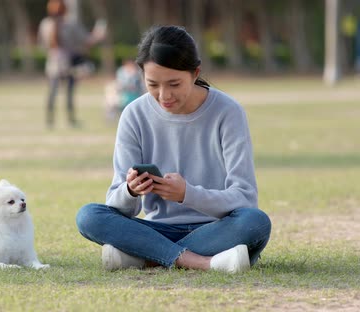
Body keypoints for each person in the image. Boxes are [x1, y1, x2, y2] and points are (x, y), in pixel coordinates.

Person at [76, 25, 271, 273]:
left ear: (195, 72)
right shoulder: (134, 115)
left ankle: (146, 257)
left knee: (255, 222)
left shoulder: (228, 112)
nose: (164, 95)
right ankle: (203, 262)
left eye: (174, 84)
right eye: (153, 84)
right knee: (89, 216)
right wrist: (131, 190)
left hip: (217, 227)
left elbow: (245, 198)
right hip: (158, 228)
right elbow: (119, 206)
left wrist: (186, 194)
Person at [38, 0, 106, 128]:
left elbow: (42, 45)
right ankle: (71, 120)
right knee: (69, 91)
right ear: (65, 10)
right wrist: (98, 35)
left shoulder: (45, 24)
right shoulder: (71, 24)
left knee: (52, 91)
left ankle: (49, 120)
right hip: (68, 62)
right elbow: (87, 41)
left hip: (53, 62)